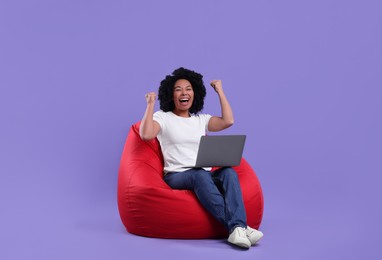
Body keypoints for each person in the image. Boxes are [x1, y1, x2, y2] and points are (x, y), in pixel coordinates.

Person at [139, 67, 263, 249]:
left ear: (195, 93)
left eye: (188, 88)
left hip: (202, 173)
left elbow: (228, 121)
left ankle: (238, 228)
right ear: (171, 95)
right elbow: (146, 134)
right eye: (178, 89)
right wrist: (150, 105)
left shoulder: (200, 120)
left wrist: (220, 92)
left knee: (228, 173)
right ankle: (239, 227)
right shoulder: (163, 117)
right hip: (177, 174)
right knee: (199, 175)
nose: (184, 93)